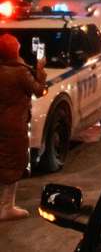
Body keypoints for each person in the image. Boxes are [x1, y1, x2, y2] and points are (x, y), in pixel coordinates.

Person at [0, 34, 47, 221]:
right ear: (13, 51)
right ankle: (6, 207)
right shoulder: (19, 72)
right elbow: (39, 91)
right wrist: (40, 70)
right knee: (14, 161)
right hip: (14, 125)